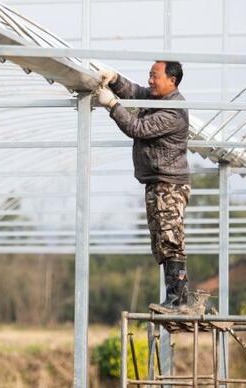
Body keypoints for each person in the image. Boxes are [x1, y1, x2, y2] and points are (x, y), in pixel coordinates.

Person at [94, 61, 193, 312]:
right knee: (162, 241)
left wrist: (112, 105)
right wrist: (115, 79)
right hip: (157, 183)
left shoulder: (174, 111)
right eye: (149, 75)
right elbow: (136, 92)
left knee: (170, 239)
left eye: (155, 76)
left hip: (169, 185)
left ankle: (179, 299)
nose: (150, 81)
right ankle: (176, 299)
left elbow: (138, 127)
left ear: (172, 80)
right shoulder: (158, 99)